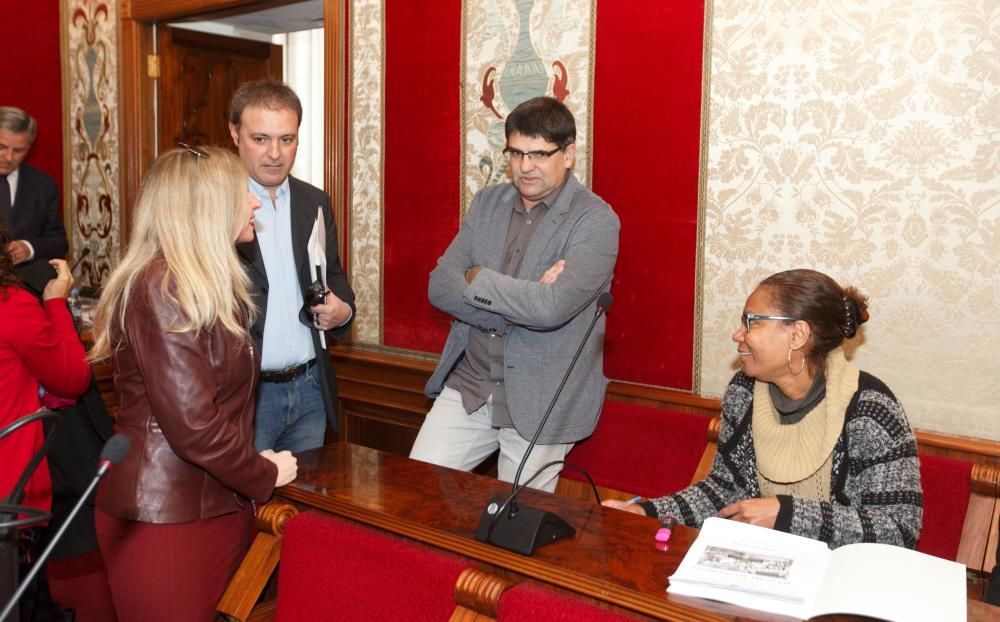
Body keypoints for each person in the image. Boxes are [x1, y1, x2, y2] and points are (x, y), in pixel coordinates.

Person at [89, 146, 298, 622]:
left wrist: (249, 467)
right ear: (206, 208)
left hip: (209, 503)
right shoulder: (160, 288)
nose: (255, 202)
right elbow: (194, 425)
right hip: (166, 514)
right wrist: (262, 474)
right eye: (242, 193)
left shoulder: (200, 283)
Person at [605, 269, 922, 549]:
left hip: (839, 587)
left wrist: (788, 514)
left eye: (751, 322)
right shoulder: (743, 392)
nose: (737, 335)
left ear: (797, 334)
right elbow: (724, 491)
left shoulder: (870, 409)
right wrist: (647, 513)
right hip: (758, 570)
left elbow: (899, 529)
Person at [409, 96, 620, 492]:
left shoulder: (595, 220)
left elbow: (551, 309)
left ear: (569, 154)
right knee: (417, 494)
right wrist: (520, 305)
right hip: (470, 384)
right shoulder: (488, 203)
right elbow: (439, 286)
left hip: (540, 397)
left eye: (540, 154)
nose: (525, 166)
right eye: (517, 153)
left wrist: (477, 278)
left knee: (515, 526)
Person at [229, 80, 356, 453]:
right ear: (235, 133)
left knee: (306, 507)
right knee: (246, 509)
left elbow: (332, 273)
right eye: (261, 139)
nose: (275, 153)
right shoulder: (215, 203)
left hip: (310, 388)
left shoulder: (314, 200)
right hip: (246, 395)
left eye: (287, 139)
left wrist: (342, 309)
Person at [0, 106, 67, 265]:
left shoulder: (44, 186)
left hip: (28, 284)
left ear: (29, 148)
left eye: (18, 150)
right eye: (1, 147)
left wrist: (29, 248)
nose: (9, 157)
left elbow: (59, 242)